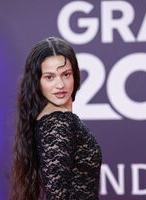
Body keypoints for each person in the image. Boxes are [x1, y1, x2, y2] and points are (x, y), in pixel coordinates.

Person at [10, 37, 102, 200]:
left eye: (65, 74)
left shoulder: (52, 118)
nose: (60, 84)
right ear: (37, 81)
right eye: (49, 77)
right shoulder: (58, 121)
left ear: (75, 74)